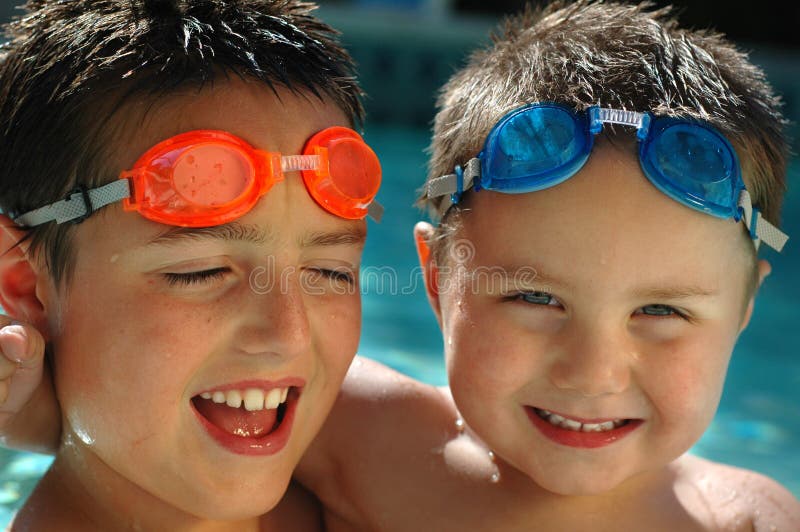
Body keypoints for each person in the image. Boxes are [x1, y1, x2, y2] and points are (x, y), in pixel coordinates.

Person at [4, 1, 800, 530]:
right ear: (435, 277)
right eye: (532, 296)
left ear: (744, 307)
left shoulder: (744, 519)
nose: (594, 371)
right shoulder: (381, 442)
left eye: (662, 311)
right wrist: (39, 402)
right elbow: (136, 414)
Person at [0, 0, 382, 529]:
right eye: (200, 272)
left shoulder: (371, 473)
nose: (288, 336)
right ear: (26, 285)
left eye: (330, 273)